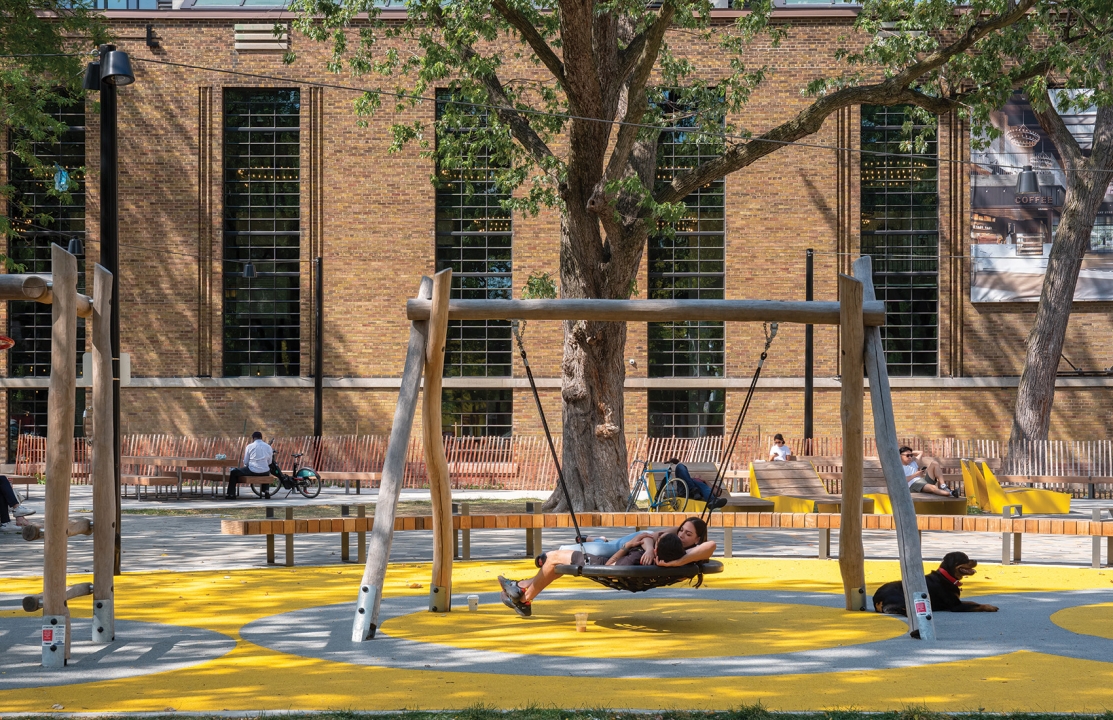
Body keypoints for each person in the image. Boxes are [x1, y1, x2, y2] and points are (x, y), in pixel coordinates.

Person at [498, 517, 717, 617]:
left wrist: (674, 560)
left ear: (697, 540)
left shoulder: (686, 554)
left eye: (688, 534)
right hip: (627, 556)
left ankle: (524, 596)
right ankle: (522, 589)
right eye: (681, 531)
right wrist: (651, 548)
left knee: (554, 557)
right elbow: (650, 535)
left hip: (614, 563)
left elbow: (711, 545)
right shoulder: (675, 548)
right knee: (555, 564)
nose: (681, 535)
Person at [227, 431, 274, 499]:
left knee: (234, 472)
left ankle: (231, 494)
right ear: (261, 438)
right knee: (265, 471)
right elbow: (269, 462)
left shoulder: (249, 446)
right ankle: (266, 491)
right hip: (265, 471)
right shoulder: (268, 447)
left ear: (253, 438)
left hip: (253, 470)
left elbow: (246, 461)